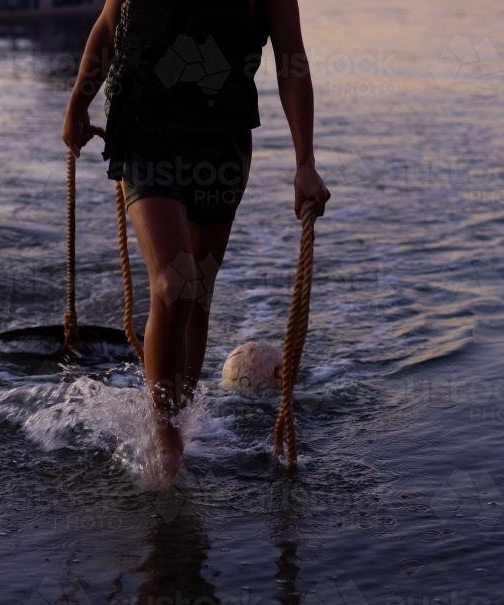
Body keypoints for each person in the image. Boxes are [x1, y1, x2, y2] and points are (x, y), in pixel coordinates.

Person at [62, 0, 330, 486]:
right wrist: (79, 103)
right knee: (175, 283)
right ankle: (164, 436)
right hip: (146, 130)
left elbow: (293, 61)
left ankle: (178, 418)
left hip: (220, 143)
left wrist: (304, 162)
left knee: (198, 294)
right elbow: (108, 25)